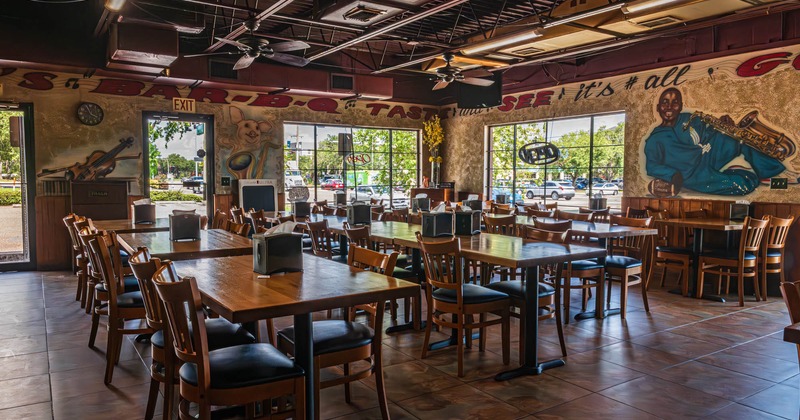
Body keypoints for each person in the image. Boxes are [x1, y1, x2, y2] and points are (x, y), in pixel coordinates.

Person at [644, 88, 785, 197]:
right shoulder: (654, 139)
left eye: (675, 102)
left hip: (706, 155)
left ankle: (773, 170)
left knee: (735, 138)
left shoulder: (688, 118)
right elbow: (651, 166)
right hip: (693, 174)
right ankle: (743, 174)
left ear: (680, 106)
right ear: (658, 108)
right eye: (665, 102)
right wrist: (673, 175)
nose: (669, 107)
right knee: (743, 186)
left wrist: (722, 124)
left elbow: (707, 133)